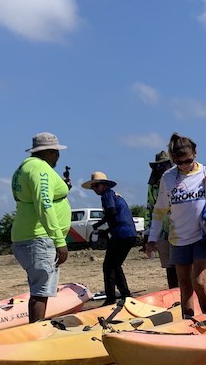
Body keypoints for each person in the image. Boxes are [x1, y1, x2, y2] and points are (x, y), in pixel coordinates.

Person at [145, 133, 206, 318]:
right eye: (179, 162)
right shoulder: (168, 178)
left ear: (195, 153)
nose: (185, 165)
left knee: (199, 282)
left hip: (202, 235)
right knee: (184, 284)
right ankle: (188, 321)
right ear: (173, 160)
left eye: (187, 160)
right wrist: (151, 239)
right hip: (178, 238)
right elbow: (159, 210)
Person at [11, 132, 71, 322]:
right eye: (57, 153)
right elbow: (43, 204)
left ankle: (34, 330)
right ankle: (36, 333)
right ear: (52, 152)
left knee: (39, 288)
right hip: (39, 238)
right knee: (40, 291)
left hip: (25, 236)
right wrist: (59, 240)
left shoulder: (23, 168)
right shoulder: (40, 169)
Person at [82, 171, 138, 304]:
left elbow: (111, 212)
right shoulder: (114, 195)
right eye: (93, 187)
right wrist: (102, 225)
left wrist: (104, 229)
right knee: (115, 265)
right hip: (129, 234)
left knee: (109, 266)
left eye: (96, 186)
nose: (95, 189)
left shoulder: (106, 195)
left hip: (121, 234)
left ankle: (111, 298)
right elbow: (112, 214)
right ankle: (125, 295)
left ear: (104, 185)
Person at [146, 150, 179, 289]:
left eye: (164, 165)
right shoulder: (153, 186)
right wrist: (149, 235)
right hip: (162, 231)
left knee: (181, 264)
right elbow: (151, 208)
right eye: (158, 166)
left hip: (179, 229)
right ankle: (173, 293)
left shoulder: (177, 179)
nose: (161, 168)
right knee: (169, 265)